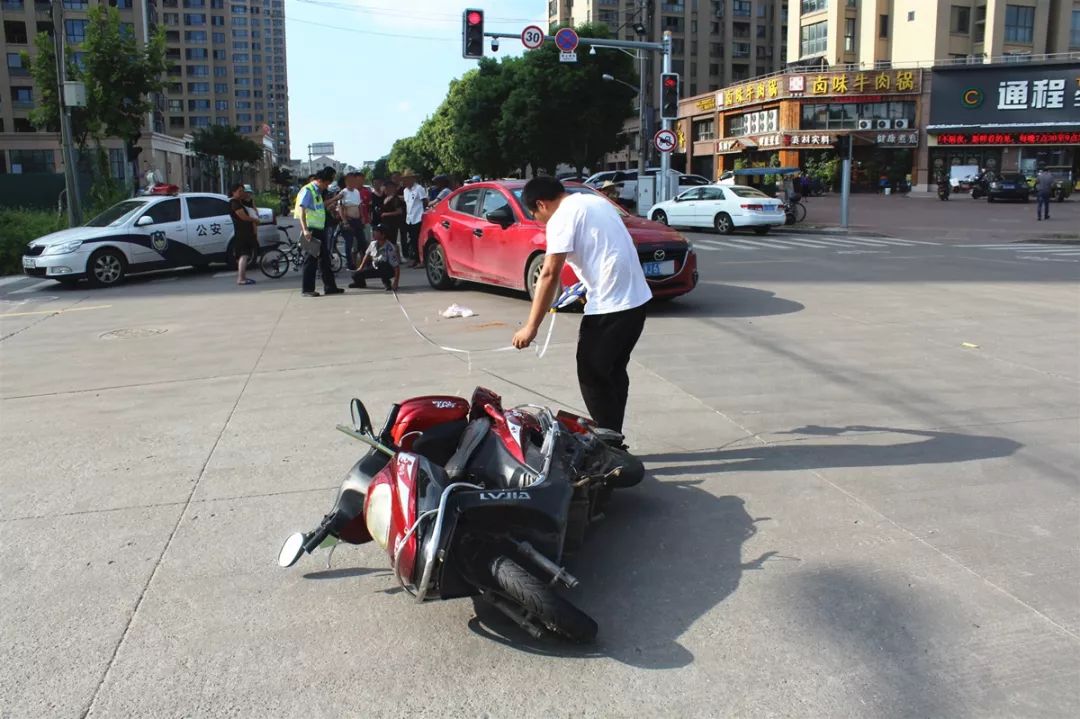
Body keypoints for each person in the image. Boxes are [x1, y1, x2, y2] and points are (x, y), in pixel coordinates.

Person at [512, 176, 651, 438]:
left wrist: (530, 327)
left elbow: (549, 274)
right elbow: (606, 247)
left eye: (534, 214)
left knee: (591, 374)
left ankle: (609, 443)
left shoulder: (561, 218)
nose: (538, 220)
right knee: (612, 371)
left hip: (611, 305)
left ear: (541, 204)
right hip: (637, 300)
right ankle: (613, 435)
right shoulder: (595, 201)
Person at [295, 167, 344, 297]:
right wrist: (305, 230)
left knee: (325, 259)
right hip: (310, 229)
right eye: (327, 183)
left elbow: (320, 206)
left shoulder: (317, 192)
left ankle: (330, 287)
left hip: (319, 228)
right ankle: (307, 289)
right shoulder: (308, 190)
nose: (327, 186)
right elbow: (301, 211)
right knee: (310, 259)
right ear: (321, 180)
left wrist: (334, 201)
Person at [348, 225, 400, 292]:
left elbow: (396, 267)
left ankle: (387, 283)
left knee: (382, 264)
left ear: (383, 235)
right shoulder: (373, 244)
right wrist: (361, 267)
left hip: (387, 269)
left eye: (376, 232)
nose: (374, 233)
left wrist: (396, 282)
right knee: (355, 274)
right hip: (375, 267)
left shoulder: (389, 248)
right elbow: (366, 256)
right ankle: (360, 283)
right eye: (374, 231)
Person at [229, 183, 259, 286]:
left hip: (246, 232)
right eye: (239, 191)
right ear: (233, 192)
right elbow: (243, 217)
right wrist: (254, 219)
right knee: (243, 255)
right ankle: (241, 278)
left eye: (243, 191)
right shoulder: (234, 203)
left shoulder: (239, 202)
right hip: (242, 233)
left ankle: (243, 277)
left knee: (245, 255)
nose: (242, 193)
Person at [336, 172, 364, 270]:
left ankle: (364, 262)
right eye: (350, 180)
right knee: (349, 243)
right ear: (346, 182)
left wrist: (362, 217)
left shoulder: (357, 191)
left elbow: (359, 205)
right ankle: (350, 263)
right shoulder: (343, 192)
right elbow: (340, 207)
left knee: (362, 241)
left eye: (353, 180)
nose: (352, 182)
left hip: (357, 220)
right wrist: (344, 221)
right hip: (349, 220)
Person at [401, 170, 427, 268]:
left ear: (412, 179)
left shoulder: (419, 188)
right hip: (410, 218)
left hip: (418, 218)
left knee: (419, 240)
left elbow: (424, 201)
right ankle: (415, 259)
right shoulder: (405, 191)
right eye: (404, 180)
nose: (405, 182)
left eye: (406, 179)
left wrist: (423, 214)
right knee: (412, 240)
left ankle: (422, 260)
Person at [379, 180, 406, 260]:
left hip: (393, 222)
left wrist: (385, 214)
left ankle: (396, 258)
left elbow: (399, 211)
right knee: (388, 240)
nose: (384, 190)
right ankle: (393, 257)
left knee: (393, 241)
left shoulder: (395, 199)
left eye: (386, 188)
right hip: (386, 223)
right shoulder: (385, 197)